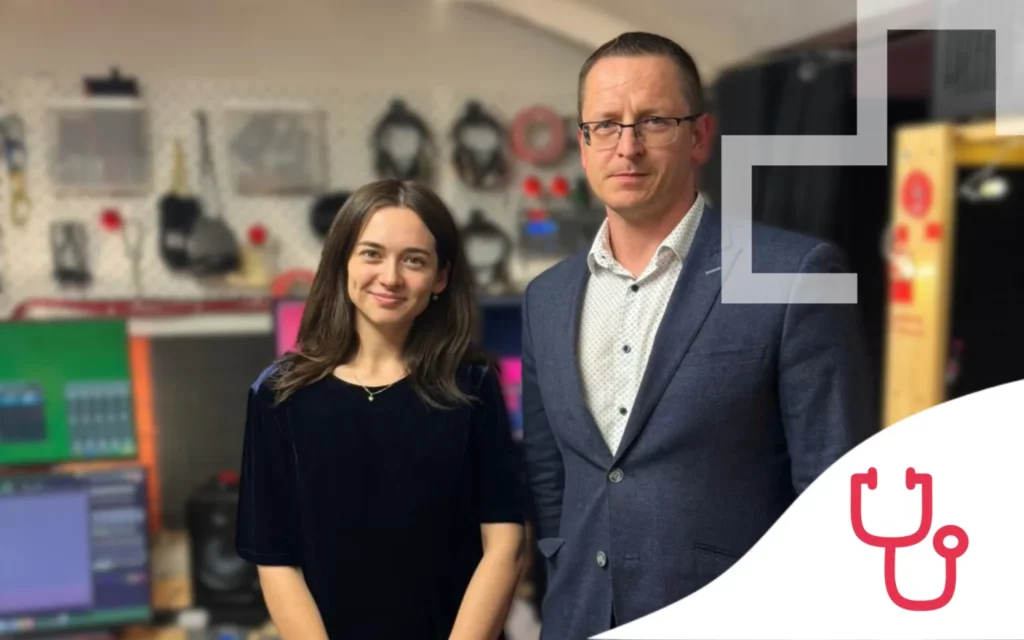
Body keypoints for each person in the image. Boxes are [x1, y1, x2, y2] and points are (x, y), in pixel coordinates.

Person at [521, 32, 877, 639]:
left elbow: (836, 489)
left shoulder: (794, 274)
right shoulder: (546, 299)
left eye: (654, 121)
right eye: (605, 125)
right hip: (579, 619)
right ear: (582, 143)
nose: (627, 147)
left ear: (700, 136)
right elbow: (551, 475)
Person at [235, 179, 526, 640]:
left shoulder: (472, 386)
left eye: (414, 260)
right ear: (342, 261)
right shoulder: (278, 394)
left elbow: (505, 545)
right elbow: (274, 559)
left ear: (441, 277)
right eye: (372, 254)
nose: (390, 277)